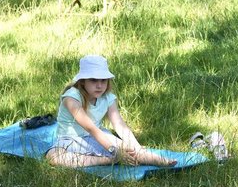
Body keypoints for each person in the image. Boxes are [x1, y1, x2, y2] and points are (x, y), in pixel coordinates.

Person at [45, 55, 176, 168]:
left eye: (103, 80)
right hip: (72, 139)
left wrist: (136, 146)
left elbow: (119, 124)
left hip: (99, 137)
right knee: (54, 157)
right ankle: (108, 160)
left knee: (130, 150)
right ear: (83, 81)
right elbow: (90, 128)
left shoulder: (108, 97)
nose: (99, 85)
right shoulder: (71, 97)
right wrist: (114, 151)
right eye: (93, 80)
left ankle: (158, 160)